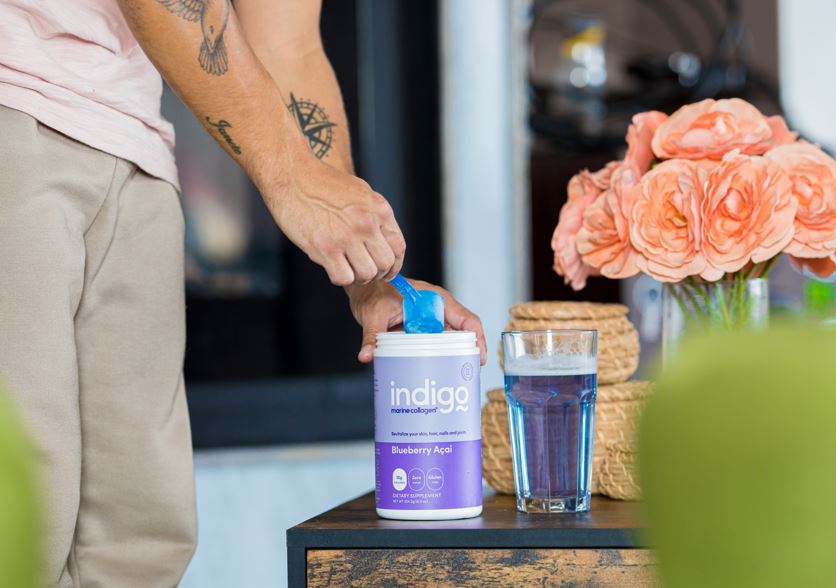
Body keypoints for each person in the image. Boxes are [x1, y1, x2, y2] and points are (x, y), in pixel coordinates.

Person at [0, 0, 487, 586]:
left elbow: (286, 42)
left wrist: (368, 276)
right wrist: (288, 175)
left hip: (131, 145)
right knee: (22, 518)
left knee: (139, 539)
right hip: (16, 109)